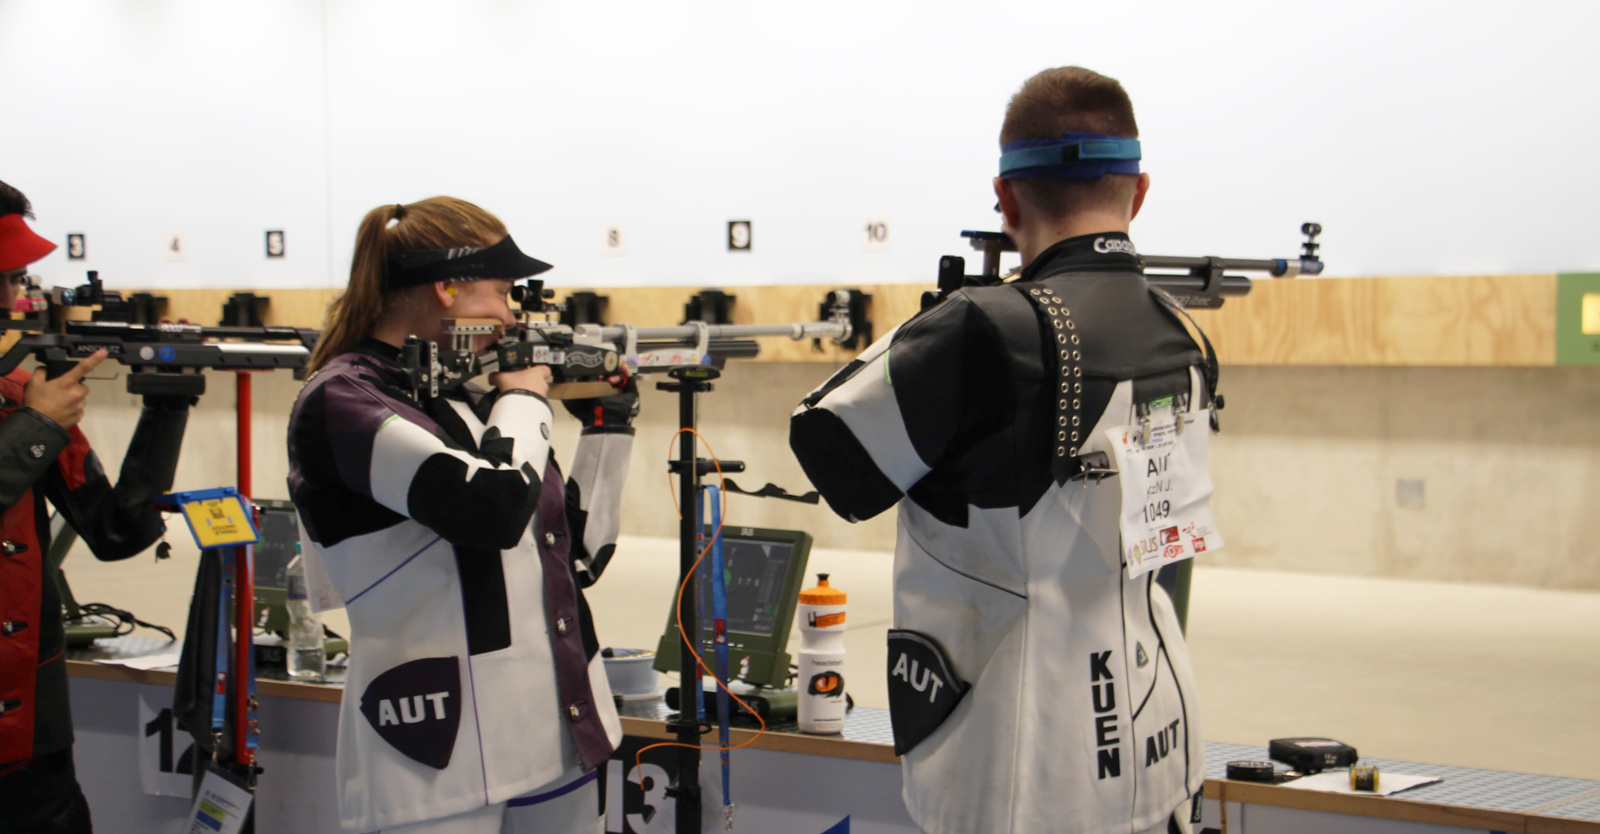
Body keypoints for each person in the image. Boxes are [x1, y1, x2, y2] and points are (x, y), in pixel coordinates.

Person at [790, 68, 1216, 834]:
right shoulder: (1180, 329)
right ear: (1139, 191)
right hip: (1156, 737)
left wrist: (942, 318)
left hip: (1017, 758)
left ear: (1007, 198)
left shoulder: (986, 328)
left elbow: (831, 450)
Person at [287, 197, 638, 834]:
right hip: (434, 745)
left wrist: (610, 423)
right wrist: (528, 397)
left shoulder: (468, 396)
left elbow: (575, 552)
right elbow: (492, 510)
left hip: (557, 725)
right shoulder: (342, 400)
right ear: (445, 288)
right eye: (501, 294)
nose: (510, 316)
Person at [0, 181, 193, 832]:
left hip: (34, 742)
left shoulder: (24, 391)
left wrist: (167, 406)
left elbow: (116, 531)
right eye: (1, 276)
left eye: (17, 277)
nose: (12, 297)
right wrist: (35, 427)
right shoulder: (31, 408)